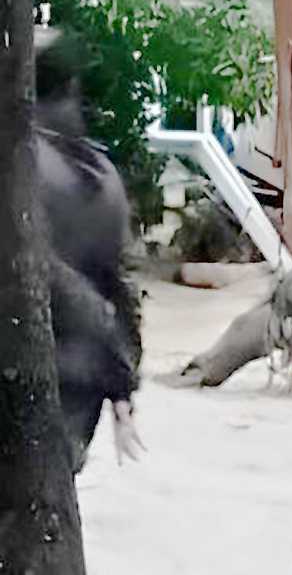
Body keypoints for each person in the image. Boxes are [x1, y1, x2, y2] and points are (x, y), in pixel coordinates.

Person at [35, 26, 144, 471]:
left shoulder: (18, 164)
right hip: (82, 389)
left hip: (23, 377)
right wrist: (122, 385)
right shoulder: (103, 176)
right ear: (73, 87)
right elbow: (119, 288)